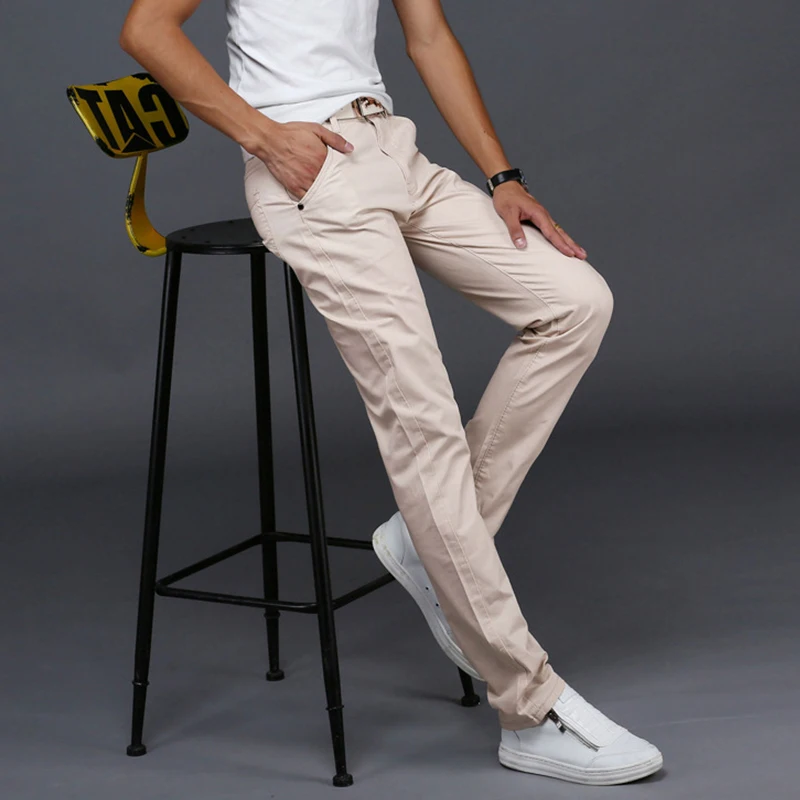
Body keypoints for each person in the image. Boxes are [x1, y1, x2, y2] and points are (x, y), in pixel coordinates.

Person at [120, 0, 663, 785]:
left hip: (394, 150)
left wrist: (503, 177)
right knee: (423, 420)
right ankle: (528, 709)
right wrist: (264, 138)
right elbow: (145, 30)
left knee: (577, 302)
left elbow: (429, 36)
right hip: (310, 168)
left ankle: (427, 539)